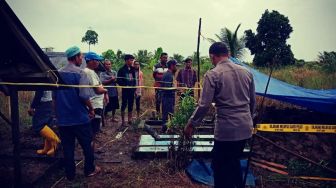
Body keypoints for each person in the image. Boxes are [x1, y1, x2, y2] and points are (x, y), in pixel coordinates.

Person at [184, 42, 256, 188]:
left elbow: (204, 105)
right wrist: (250, 121)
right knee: (234, 160)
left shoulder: (213, 74)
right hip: (245, 127)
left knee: (220, 167)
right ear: (227, 54)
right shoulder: (247, 72)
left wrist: (192, 124)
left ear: (212, 56)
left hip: (227, 130)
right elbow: (252, 102)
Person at [53, 46, 100, 180]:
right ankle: (89, 169)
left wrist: (57, 116)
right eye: (80, 56)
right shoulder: (81, 73)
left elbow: (54, 98)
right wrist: (91, 109)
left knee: (68, 148)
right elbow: (84, 95)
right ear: (75, 57)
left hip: (64, 120)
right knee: (87, 145)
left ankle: (70, 174)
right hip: (79, 118)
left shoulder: (58, 73)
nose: (82, 59)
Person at [83, 52, 108, 152]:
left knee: (93, 131)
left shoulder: (90, 72)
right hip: (94, 105)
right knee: (93, 131)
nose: (98, 62)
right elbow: (98, 90)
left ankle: (92, 150)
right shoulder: (89, 72)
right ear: (91, 61)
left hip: (95, 104)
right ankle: (91, 153)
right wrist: (105, 91)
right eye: (97, 60)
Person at [28, 90, 60, 156]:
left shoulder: (41, 80)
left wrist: (32, 106)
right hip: (49, 103)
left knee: (38, 126)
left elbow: (39, 92)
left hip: (43, 104)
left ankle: (56, 141)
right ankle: (47, 148)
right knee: (46, 126)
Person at [117, 54, 136, 126]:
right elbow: (118, 80)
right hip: (125, 90)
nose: (132, 61)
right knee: (124, 104)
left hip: (132, 90)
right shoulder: (121, 70)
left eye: (132, 60)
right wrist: (125, 85)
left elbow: (134, 80)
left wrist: (134, 88)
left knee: (131, 105)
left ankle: (129, 120)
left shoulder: (133, 69)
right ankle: (123, 121)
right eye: (131, 60)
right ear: (127, 60)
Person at [161, 59, 177, 131]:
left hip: (169, 97)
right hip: (168, 97)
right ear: (172, 66)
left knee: (168, 113)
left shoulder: (170, 74)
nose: (176, 67)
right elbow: (167, 88)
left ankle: (167, 128)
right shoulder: (168, 75)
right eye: (175, 66)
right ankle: (166, 128)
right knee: (168, 113)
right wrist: (175, 89)